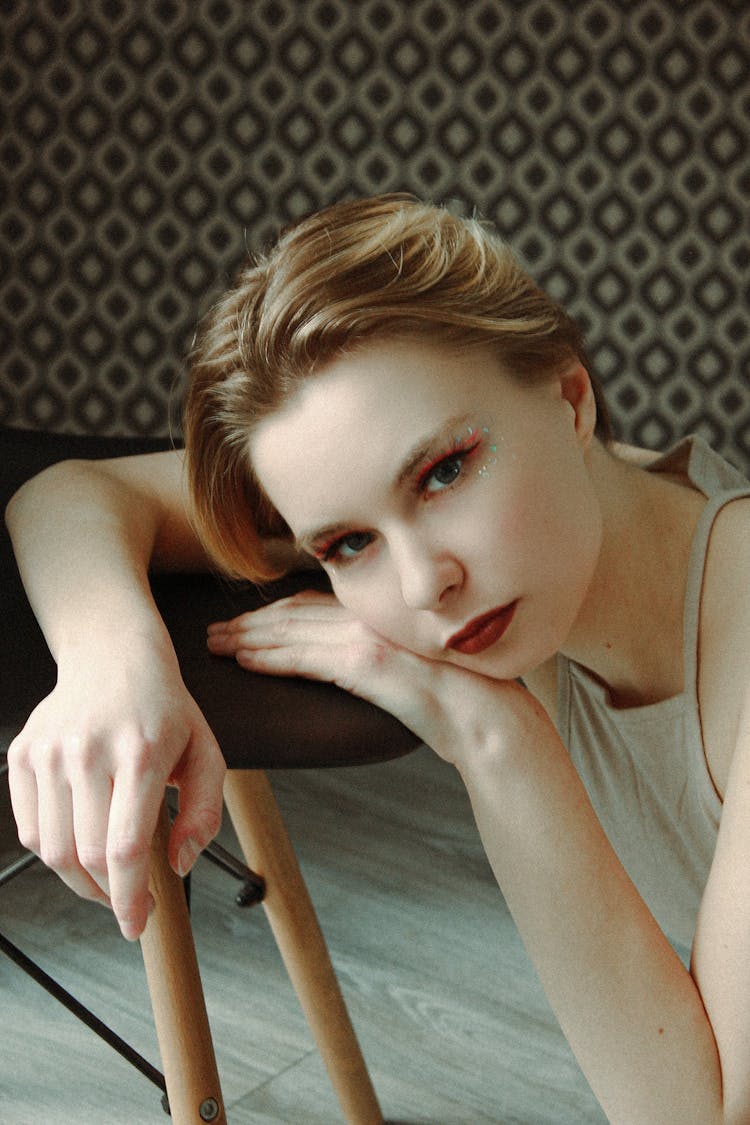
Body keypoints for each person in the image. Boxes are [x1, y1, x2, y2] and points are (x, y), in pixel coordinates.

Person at [6, 193, 750, 1122]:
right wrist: (115, 665)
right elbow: (72, 492)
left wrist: (490, 735)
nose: (424, 581)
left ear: (569, 397)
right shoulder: (561, 522)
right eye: (349, 543)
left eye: (445, 470)